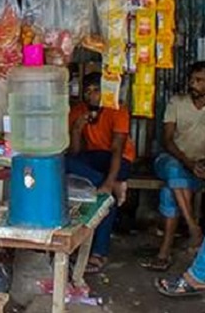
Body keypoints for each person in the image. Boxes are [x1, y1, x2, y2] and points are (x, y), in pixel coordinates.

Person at [67, 72, 135, 273]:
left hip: (119, 160)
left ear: (105, 92)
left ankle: (97, 253)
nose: (91, 95)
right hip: (93, 160)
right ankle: (98, 252)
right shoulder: (78, 111)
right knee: (65, 162)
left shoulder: (117, 109)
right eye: (87, 91)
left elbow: (117, 149)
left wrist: (108, 181)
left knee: (104, 191)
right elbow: (75, 153)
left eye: (96, 90)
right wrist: (77, 129)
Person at [141, 62, 205, 272]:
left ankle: (164, 254)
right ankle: (193, 227)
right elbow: (167, 141)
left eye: (199, 80)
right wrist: (189, 163)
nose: (193, 84)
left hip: (197, 168)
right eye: (192, 79)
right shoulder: (176, 102)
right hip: (170, 160)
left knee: (170, 190)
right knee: (174, 170)